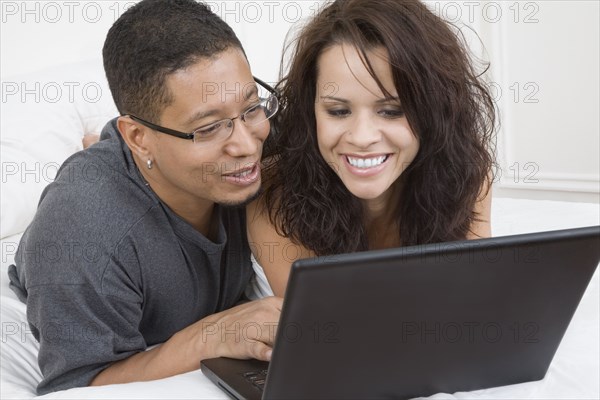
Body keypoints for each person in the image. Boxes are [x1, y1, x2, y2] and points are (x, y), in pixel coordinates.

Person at [8, 0, 282, 394]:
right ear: (138, 138)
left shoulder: (259, 131)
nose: (246, 145)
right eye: (208, 129)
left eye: (251, 106)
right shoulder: (82, 236)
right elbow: (78, 386)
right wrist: (211, 335)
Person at [247, 0, 496, 298]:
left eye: (391, 111)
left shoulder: (466, 173)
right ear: (310, 112)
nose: (363, 137)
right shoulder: (273, 191)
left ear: (433, 112)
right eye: (338, 112)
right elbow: (329, 325)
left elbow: (472, 298)